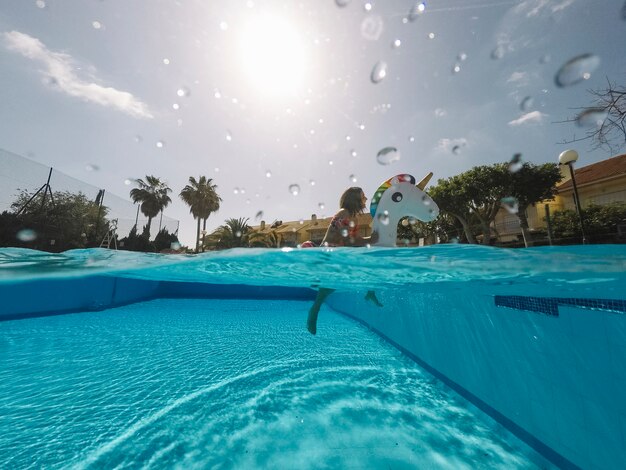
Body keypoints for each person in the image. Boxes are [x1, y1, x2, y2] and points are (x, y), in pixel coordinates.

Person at [306, 187, 380, 335]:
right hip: (329, 254)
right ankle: (314, 310)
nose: (365, 199)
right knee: (331, 285)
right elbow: (349, 240)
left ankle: (370, 292)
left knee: (367, 266)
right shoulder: (344, 213)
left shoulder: (353, 217)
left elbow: (351, 240)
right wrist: (369, 239)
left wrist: (367, 241)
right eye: (363, 196)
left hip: (337, 254)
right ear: (355, 199)